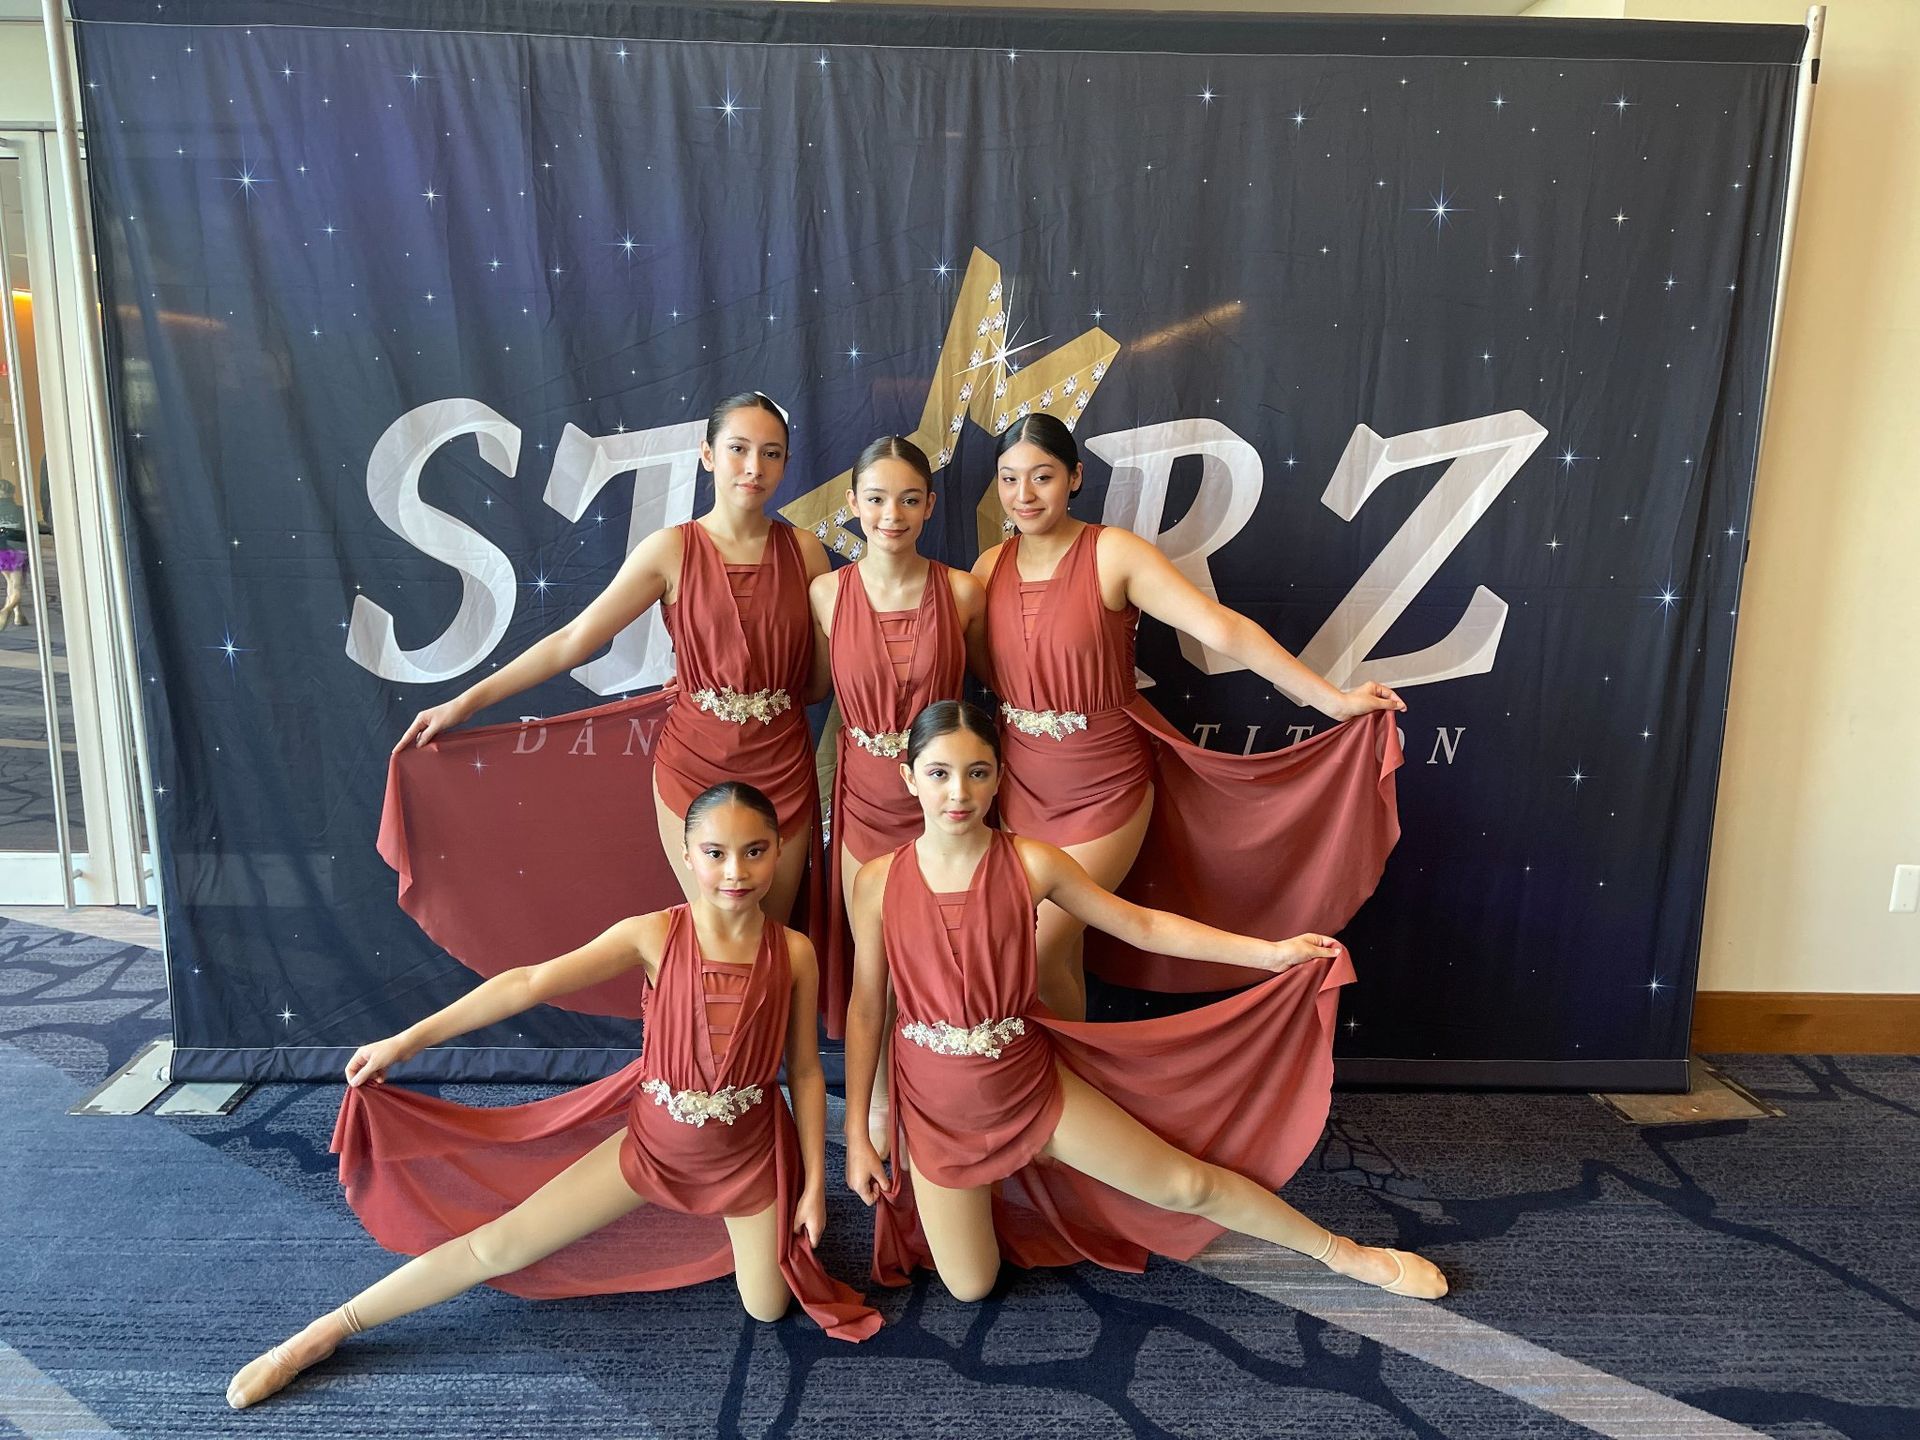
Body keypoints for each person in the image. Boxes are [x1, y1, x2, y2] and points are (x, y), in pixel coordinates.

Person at [226, 782, 879, 1410]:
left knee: (767, 1306)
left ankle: (728, 1222)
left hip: (746, 1163)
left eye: (755, 850)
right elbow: (527, 983)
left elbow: (806, 1071)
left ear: (780, 850)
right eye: (715, 852)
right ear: (687, 855)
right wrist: (405, 1042)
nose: (735, 870)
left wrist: (813, 1186)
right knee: (500, 1245)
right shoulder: (652, 935)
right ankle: (331, 1327)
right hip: (651, 1149)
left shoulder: (793, 952)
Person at [843, 701, 1446, 1304]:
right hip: (934, 1103)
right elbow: (868, 1007)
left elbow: (1145, 928)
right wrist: (861, 1134)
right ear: (908, 776)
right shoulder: (878, 881)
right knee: (970, 1286)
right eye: (939, 772)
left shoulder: (1032, 862)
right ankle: (1001, 1195)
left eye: (977, 772)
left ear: (1000, 776)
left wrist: (1268, 954)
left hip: (1024, 1085)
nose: (958, 792)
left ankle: (1346, 1255)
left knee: (1185, 1184)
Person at [379, 393, 832, 1010]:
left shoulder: (804, 551)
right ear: (707, 455)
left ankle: (761, 1097)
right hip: (694, 765)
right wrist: (462, 704)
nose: (754, 467)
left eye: (771, 454)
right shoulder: (671, 549)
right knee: (715, 938)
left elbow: (818, 679)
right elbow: (573, 640)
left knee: (773, 945)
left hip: (783, 765)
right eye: (738, 449)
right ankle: (692, 1086)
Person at [972, 413, 1407, 1018]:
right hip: (1021, 782)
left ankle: (1062, 1086)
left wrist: (1332, 700)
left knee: (1038, 943)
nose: (1024, 495)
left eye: (1041, 477)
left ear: (1073, 478)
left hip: (1104, 781)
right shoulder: (989, 567)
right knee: (1054, 957)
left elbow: (1220, 627)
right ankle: (1067, 1084)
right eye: (1010, 479)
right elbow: (984, 669)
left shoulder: (1113, 553)